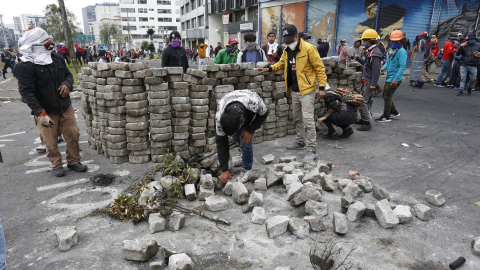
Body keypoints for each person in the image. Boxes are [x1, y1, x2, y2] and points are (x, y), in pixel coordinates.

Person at [15, 27, 88, 177]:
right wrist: (39, 112)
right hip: (44, 110)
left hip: (64, 106)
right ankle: (56, 164)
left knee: (73, 134)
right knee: (50, 141)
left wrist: (67, 84)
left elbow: (68, 75)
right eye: (44, 40)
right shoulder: (25, 66)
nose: (49, 42)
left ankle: (74, 161)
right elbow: (26, 93)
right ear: (34, 44)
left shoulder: (55, 58)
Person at [256, 24, 327, 161]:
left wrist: (322, 88)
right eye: (286, 41)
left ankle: (312, 149)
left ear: (297, 36)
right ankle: (300, 141)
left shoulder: (309, 49)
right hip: (294, 90)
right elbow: (281, 64)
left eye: (291, 40)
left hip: (306, 90)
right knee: (297, 118)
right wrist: (269, 69)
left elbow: (320, 69)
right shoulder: (287, 50)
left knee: (307, 119)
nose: (289, 43)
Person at [216, 90, 269, 184]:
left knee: (245, 141)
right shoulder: (219, 116)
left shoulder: (253, 103)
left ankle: (247, 169)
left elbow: (264, 113)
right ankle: (242, 152)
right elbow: (221, 143)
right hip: (233, 103)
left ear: (241, 119)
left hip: (247, 105)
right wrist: (224, 169)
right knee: (237, 136)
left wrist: (249, 130)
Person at [376, 30, 407, 122]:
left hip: (394, 78)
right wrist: (383, 68)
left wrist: (396, 80)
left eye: (396, 41)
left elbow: (402, 66)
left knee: (387, 96)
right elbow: (388, 62)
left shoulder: (402, 52)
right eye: (392, 41)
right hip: (389, 76)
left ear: (400, 41)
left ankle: (386, 116)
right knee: (387, 95)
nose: (393, 43)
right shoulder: (390, 50)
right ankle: (394, 111)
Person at [356, 29, 383, 131]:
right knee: (365, 101)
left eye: (364, 41)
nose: (363, 43)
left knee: (362, 101)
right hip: (366, 80)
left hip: (369, 81)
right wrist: (356, 58)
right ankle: (364, 119)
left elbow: (376, 70)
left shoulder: (375, 53)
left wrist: (374, 84)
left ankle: (367, 123)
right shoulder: (371, 52)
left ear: (369, 41)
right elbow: (366, 65)